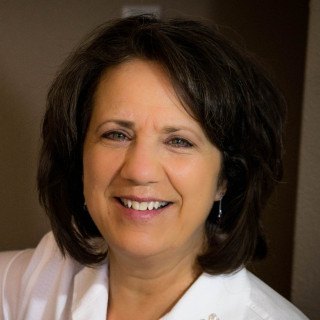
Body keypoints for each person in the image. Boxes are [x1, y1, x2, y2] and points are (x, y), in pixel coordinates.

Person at [0, 15, 309, 320]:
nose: (140, 170)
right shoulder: (37, 277)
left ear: (225, 179)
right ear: (78, 155)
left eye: (179, 141)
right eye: (116, 135)